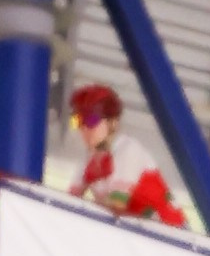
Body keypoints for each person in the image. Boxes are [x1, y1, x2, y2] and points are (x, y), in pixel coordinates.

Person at [68, 80, 186, 226]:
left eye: (91, 120)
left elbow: (114, 209)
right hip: (142, 232)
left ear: (113, 123)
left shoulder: (128, 151)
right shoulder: (91, 158)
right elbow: (70, 200)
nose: (84, 128)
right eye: (77, 121)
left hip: (171, 233)